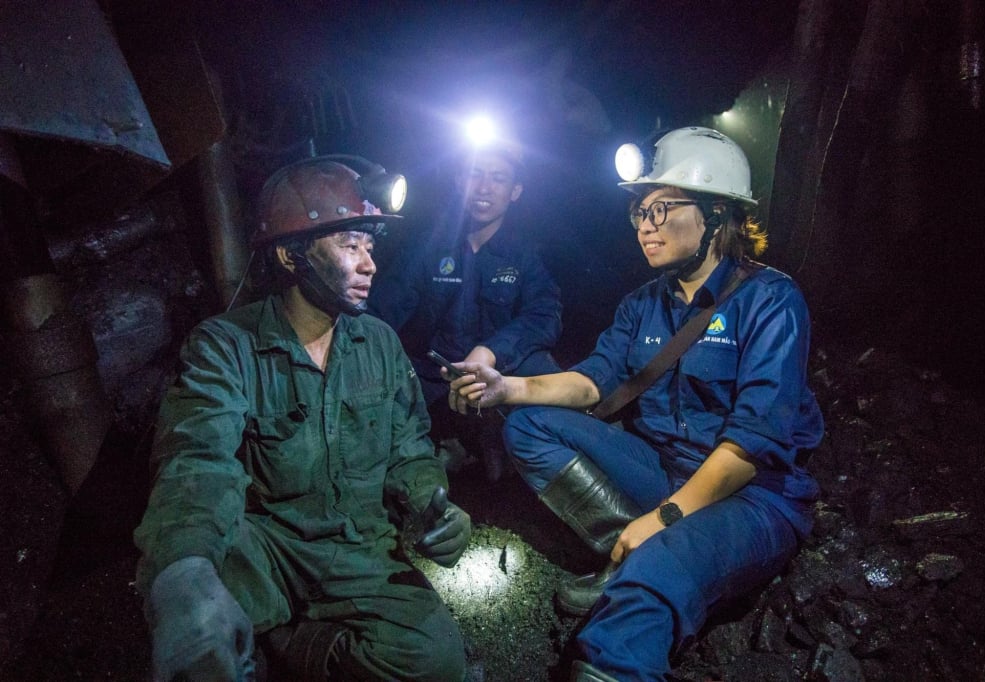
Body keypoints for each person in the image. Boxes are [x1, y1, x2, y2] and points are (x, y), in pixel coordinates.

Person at [447, 127, 824, 681]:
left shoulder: (771, 301)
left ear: (717, 214)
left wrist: (665, 519)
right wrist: (508, 388)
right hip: (662, 469)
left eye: (661, 209)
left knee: (658, 568)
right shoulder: (642, 304)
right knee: (526, 425)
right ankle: (630, 549)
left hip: (751, 495)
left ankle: (641, 584)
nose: (644, 227)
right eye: (638, 213)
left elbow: (752, 444)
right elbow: (593, 382)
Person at [133, 155, 472, 682]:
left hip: (358, 547)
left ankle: (290, 643)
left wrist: (434, 505)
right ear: (292, 257)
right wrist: (184, 574)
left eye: (370, 245)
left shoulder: (379, 343)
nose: (369, 264)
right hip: (268, 546)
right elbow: (197, 458)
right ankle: (255, 637)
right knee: (202, 632)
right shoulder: (226, 346)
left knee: (436, 661)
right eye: (349, 245)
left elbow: (409, 447)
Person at [369, 135, 562, 482]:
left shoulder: (523, 255)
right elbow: (383, 310)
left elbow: (545, 314)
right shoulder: (429, 246)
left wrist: (490, 352)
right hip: (431, 382)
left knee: (542, 366)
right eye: (475, 174)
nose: (483, 188)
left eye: (498, 178)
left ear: (516, 190)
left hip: (493, 382)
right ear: (460, 182)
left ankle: (514, 459)